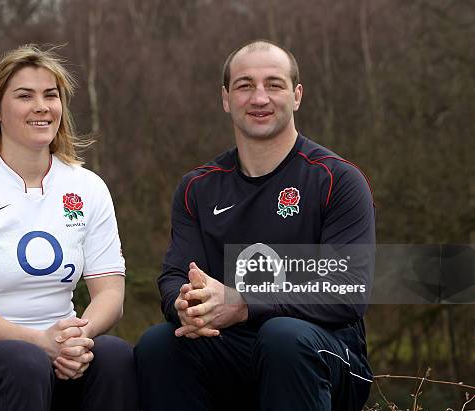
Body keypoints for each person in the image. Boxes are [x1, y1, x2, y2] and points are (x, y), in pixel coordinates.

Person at [135, 39, 375, 411]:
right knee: (160, 344)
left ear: (296, 96)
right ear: (226, 98)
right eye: (245, 85)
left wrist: (245, 302)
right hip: (235, 348)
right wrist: (184, 304)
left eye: (273, 85)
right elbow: (174, 275)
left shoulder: (337, 179)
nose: (259, 98)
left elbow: (348, 288)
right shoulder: (197, 187)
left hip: (326, 351)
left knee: (283, 337)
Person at [0, 45, 138, 411]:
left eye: (50, 95)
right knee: (25, 363)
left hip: (56, 351)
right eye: (25, 96)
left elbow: (111, 293)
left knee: (114, 356)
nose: (41, 106)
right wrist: (38, 343)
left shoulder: (88, 187)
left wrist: (76, 339)